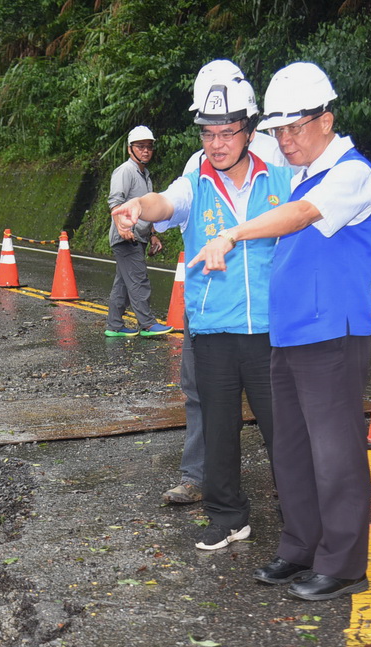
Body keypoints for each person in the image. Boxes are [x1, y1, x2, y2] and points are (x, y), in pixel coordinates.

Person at [187, 62, 371, 601]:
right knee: (293, 452)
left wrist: (231, 234)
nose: (286, 140)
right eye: (278, 130)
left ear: (327, 120)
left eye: (296, 127)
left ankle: (343, 564)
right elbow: (325, 253)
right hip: (288, 334)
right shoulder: (302, 172)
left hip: (329, 337)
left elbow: (300, 217)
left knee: (335, 453)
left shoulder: (350, 172)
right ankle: (299, 548)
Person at [113, 76, 292, 550]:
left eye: (227, 132)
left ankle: (297, 516)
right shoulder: (195, 184)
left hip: (272, 329)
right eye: (208, 134)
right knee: (218, 427)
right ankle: (228, 516)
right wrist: (139, 207)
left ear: (250, 132)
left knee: (284, 429)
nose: (216, 143)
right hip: (212, 329)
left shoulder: (282, 179)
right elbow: (164, 203)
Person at [105, 126, 171, 337]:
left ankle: (114, 325)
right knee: (139, 279)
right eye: (140, 147)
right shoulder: (125, 171)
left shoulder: (145, 176)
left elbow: (145, 209)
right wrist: (122, 227)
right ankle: (148, 324)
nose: (146, 151)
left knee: (123, 283)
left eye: (149, 147)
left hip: (139, 236)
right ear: (129, 149)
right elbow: (115, 201)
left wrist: (151, 234)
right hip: (127, 237)